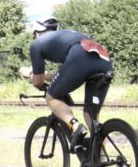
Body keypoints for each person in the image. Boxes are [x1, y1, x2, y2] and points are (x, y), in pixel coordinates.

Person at [20, 16, 113, 152]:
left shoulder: (37, 44)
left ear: (37, 33)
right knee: (92, 117)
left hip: (80, 59)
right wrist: (47, 75)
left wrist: (29, 74)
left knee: (51, 97)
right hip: (104, 61)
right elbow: (66, 74)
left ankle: (75, 126)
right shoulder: (67, 36)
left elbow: (38, 81)